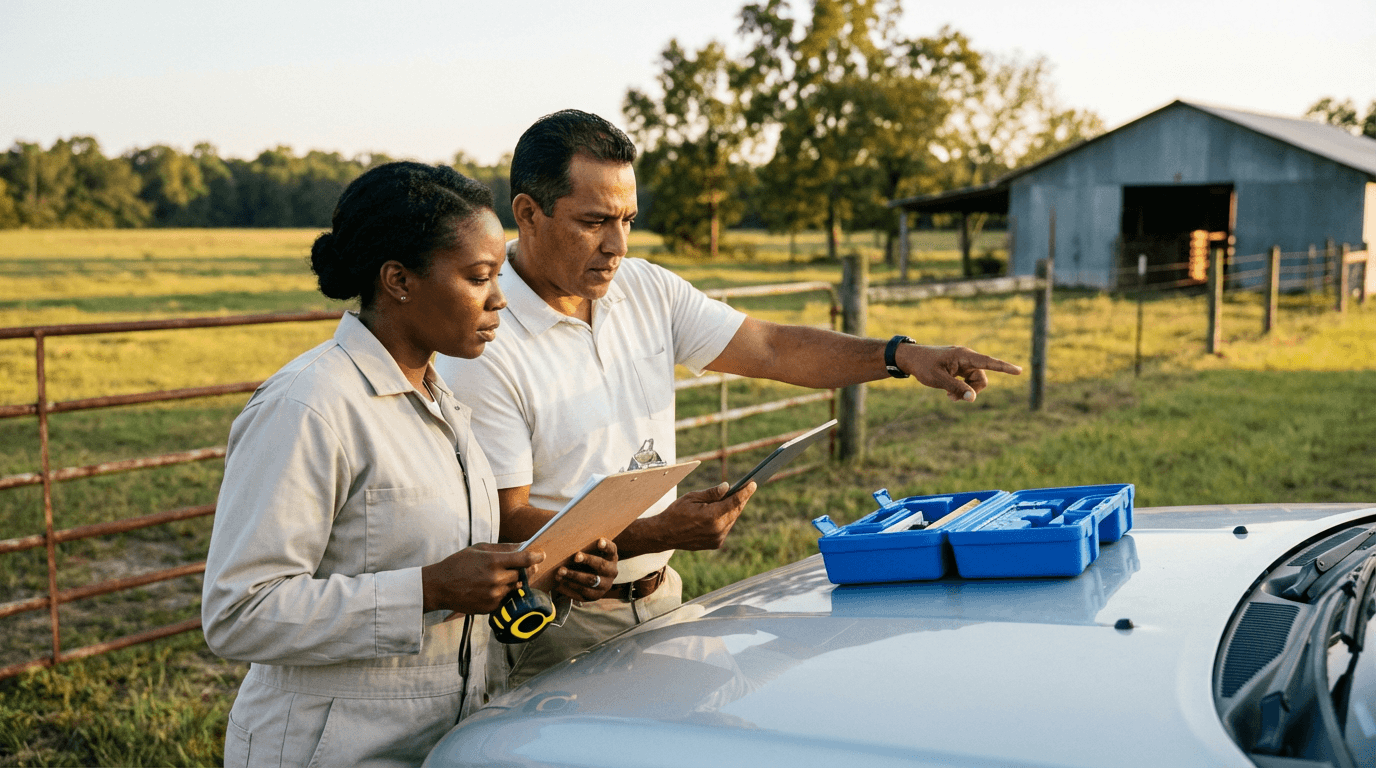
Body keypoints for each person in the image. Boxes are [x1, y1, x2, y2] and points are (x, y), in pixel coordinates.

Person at [434, 110, 1021, 691]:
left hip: (663, 599)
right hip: (553, 630)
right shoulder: (483, 337)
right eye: (594, 221)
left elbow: (770, 348)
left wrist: (901, 355)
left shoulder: (644, 287)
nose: (617, 245)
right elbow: (510, 524)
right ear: (528, 214)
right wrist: (659, 528)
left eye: (628, 219)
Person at [201, 161, 617, 768]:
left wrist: (549, 577)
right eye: (479, 278)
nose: (500, 299)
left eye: (498, 275)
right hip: (334, 748)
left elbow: (447, 562)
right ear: (398, 279)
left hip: (446, 737)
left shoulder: (442, 396)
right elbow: (239, 612)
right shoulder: (308, 407)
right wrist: (428, 590)